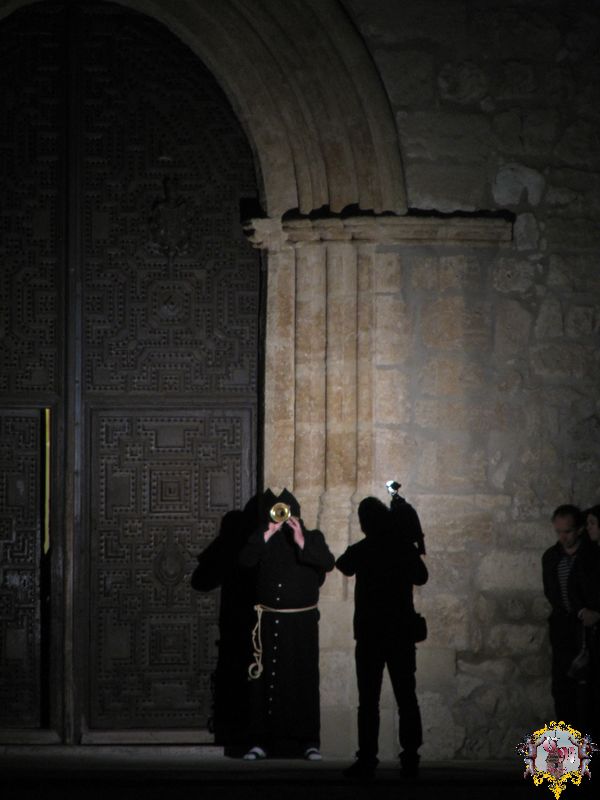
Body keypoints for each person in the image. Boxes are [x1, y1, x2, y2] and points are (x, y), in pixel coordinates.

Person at [336, 491, 428, 781]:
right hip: (399, 634)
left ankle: (367, 759)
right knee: (406, 698)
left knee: (369, 702)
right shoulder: (402, 548)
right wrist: (408, 539)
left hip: (371, 635)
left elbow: (343, 564)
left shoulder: (365, 549)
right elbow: (421, 576)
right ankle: (410, 758)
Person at [238, 488, 335, 760]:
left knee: (303, 681)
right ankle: (260, 741)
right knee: (263, 682)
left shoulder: (312, 538)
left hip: (301, 627)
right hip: (268, 624)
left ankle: (308, 742)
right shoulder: (262, 539)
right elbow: (244, 561)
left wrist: (301, 540)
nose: (281, 517)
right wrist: (266, 533)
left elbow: (328, 563)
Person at [191, 501, 258, 755]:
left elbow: (201, 580)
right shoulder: (240, 543)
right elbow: (201, 580)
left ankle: (236, 733)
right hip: (243, 625)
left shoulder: (242, 543)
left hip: (239, 624)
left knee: (235, 680)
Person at [542, 504, 590, 731]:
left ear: (579, 529)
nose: (563, 537)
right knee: (562, 689)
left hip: (588, 628)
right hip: (563, 628)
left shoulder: (590, 555)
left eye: (567, 531)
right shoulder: (552, 557)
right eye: (559, 531)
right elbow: (552, 592)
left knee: (587, 692)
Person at [573, 505, 600, 740]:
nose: (589, 528)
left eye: (593, 523)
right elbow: (574, 586)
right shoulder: (588, 554)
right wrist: (583, 611)